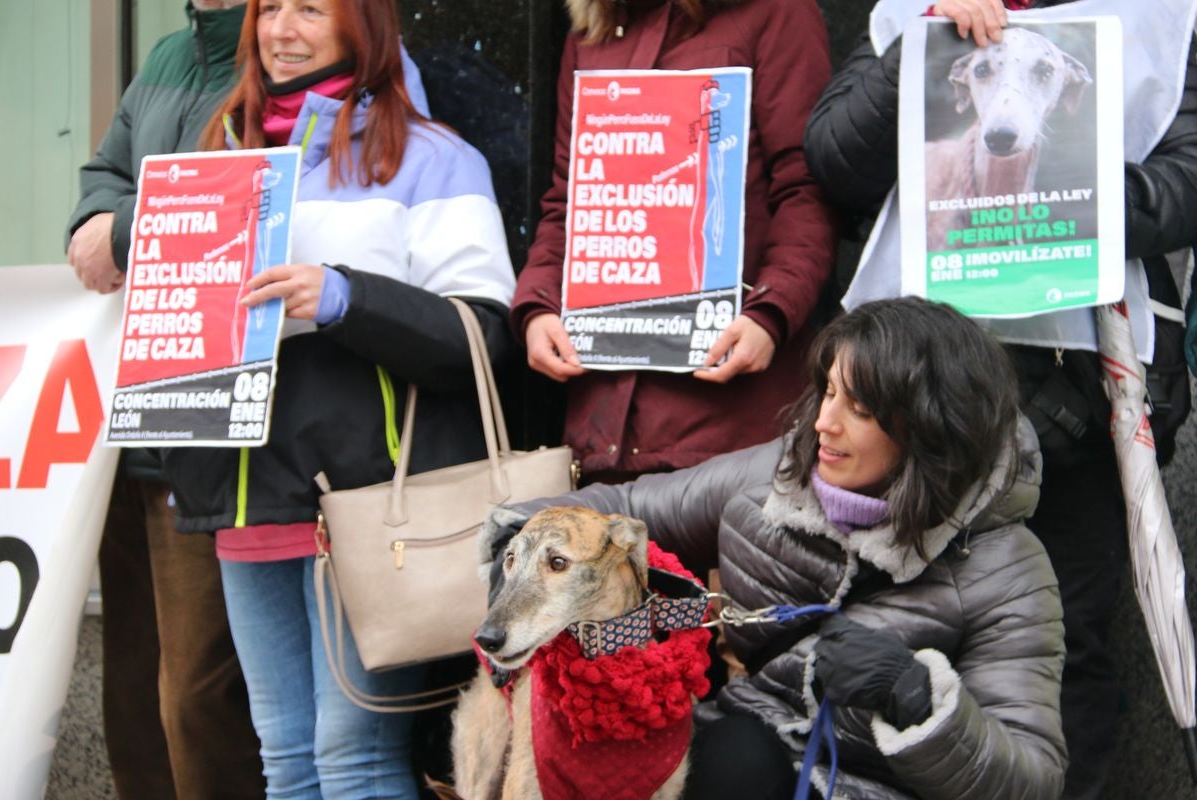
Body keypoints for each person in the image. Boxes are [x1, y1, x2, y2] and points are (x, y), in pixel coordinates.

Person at [802, 1, 1197, 796]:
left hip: (1078, 402)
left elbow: (1184, 180)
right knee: (894, 636)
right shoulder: (918, 13)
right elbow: (834, 160)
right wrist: (924, 42)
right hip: (915, 398)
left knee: (1061, 648)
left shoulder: (1152, 14)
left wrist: (1070, 187)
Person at [482, 296, 1066, 800]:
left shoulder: (1007, 568)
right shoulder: (782, 473)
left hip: (875, 783)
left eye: (858, 409)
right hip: (751, 752)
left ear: (932, 429)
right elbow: (634, 510)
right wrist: (520, 539)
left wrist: (914, 697)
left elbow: (1032, 779)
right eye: (828, 392)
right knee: (725, 756)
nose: (824, 425)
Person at [157, 0, 516, 796]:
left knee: (351, 758)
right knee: (284, 758)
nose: (281, 30)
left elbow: (483, 340)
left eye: (309, 9)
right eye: (269, 8)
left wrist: (344, 296)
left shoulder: (435, 158)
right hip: (245, 497)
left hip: (365, 511)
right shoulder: (213, 158)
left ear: (365, 24)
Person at [64, 3, 265, 797]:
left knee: (198, 694)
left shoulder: (282, 51)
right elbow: (99, 178)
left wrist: (118, 235)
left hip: (216, 426)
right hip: (130, 419)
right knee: (133, 681)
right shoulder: (168, 56)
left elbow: (239, 204)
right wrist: (103, 218)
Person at [512, 0, 837, 485]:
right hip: (605, 428)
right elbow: (569, 198)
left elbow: (807, 188)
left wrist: (771, 314)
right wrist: (537, 307)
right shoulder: (592, 31)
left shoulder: (775, 10)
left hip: (730, 425)